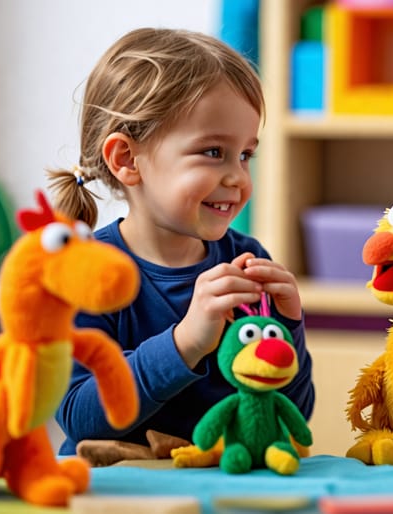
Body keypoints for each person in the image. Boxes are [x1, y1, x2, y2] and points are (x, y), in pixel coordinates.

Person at [48, 28, 314, 457]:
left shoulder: (247, 261)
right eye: (213, 152)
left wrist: (289, 330)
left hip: (213, 487)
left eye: (246, 155)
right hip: (116, 493)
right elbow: (79, 416)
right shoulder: (85, 273)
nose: (238, 178)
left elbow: (289, 416)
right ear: (127, 160)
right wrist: (185, 343)